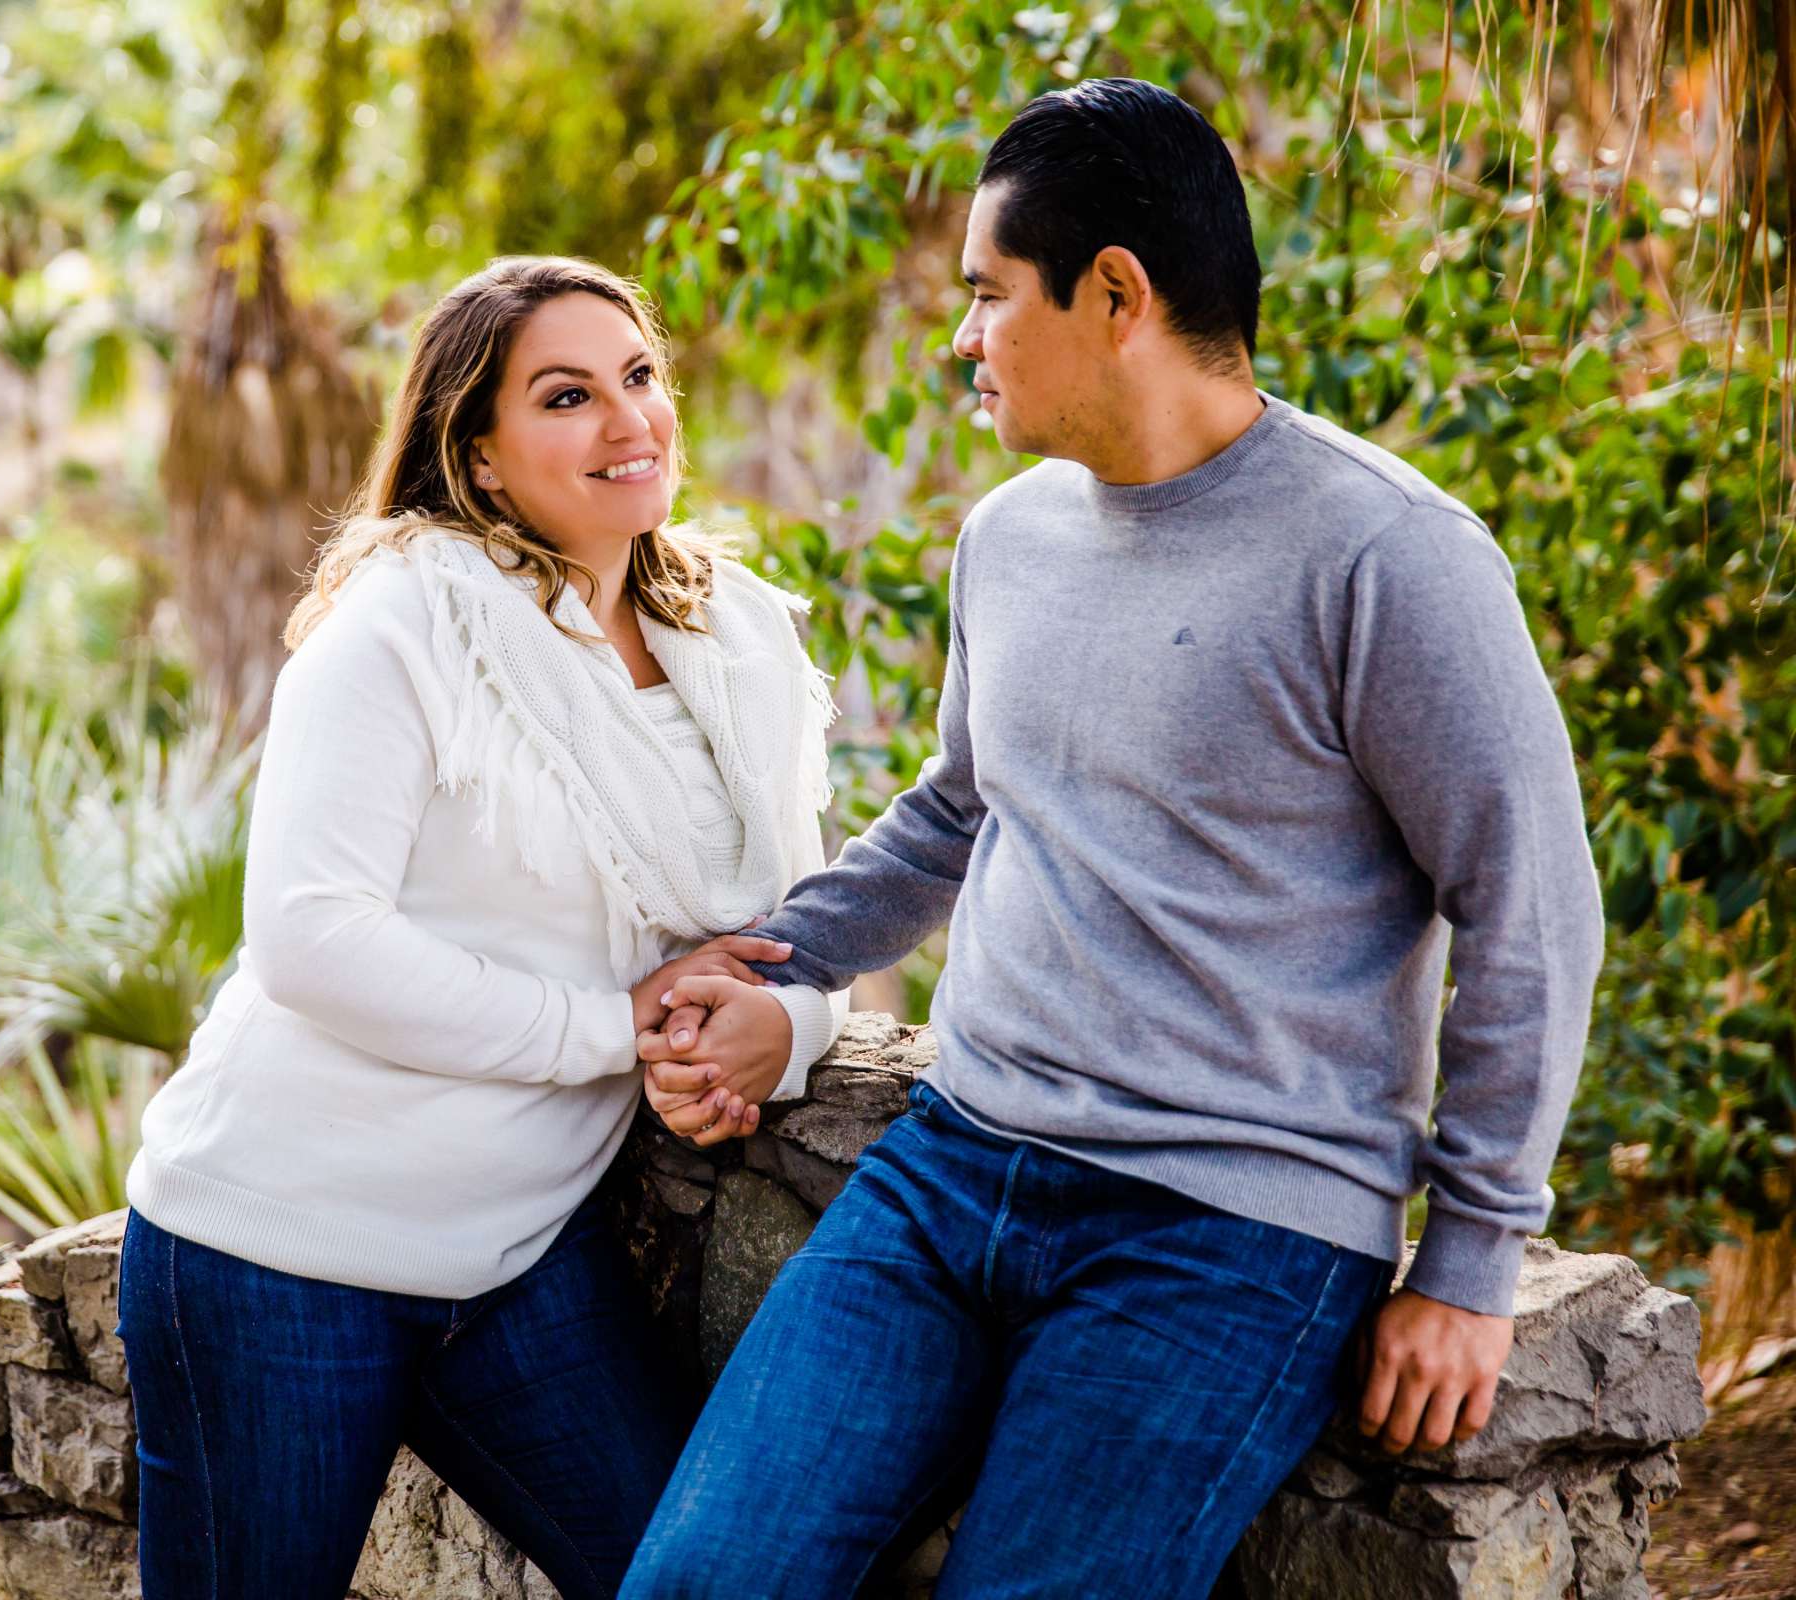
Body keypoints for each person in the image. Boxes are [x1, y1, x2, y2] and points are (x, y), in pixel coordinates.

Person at [622, 78, 1605, 1599]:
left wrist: (1473, 1258)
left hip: (1230, 1231)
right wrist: (769, 958)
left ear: (1117, 295)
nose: (962, 339)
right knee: (699, 1582)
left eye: (987, 296)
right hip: (950, 1172)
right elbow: (958, 811)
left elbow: (1529, 907)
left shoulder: (1390, 557)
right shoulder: (1009, 536)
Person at [117, 255, 849, 1600]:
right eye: (568, 396)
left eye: (640, 378)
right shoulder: (408, 624)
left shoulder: (737, 644)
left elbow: (810, 928)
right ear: (482, 457)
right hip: (274, 1254)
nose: (629, 422)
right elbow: (309, 934)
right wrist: (612, 1030)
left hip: (515, 1255)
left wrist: (771, 1031)